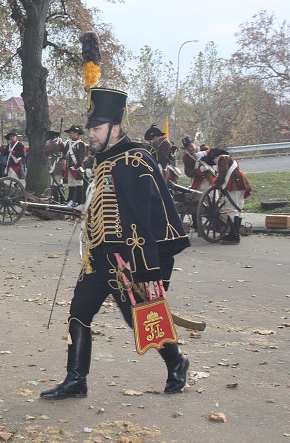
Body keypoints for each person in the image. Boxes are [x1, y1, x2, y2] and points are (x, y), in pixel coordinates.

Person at [40, 87, 191, 401]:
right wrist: (87, 211)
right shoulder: (103, 161)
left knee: (141, 320)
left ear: (115, 128)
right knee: (78, 314)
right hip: (97, 258)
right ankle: (76, 380)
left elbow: (155, 213)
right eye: (90, 129)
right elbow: (107, 201)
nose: (91, 135)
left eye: (96, 129)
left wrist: (155, 264)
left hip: (127, 261)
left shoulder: (136, 160)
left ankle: (177, 363)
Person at [200, 148, 252, 245]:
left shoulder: (222, 159)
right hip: (239, 183)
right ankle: (234, 234)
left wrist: (216, 184)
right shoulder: (228, 158)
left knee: (231, 209)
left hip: (234, 184)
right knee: (237, 209)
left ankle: (234, 236)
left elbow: (223, 173)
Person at [63, 125, 87, 206]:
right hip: (70, 168)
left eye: (72, 133)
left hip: (77, 168)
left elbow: (81, 157)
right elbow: (65, 154)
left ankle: (78, 201)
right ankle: (70, 199)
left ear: (76, 133)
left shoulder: (80, 144)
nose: (70, 134)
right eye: (70, 133)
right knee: (71, 185)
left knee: (78, 185)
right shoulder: (68, 143)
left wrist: (77, 166)